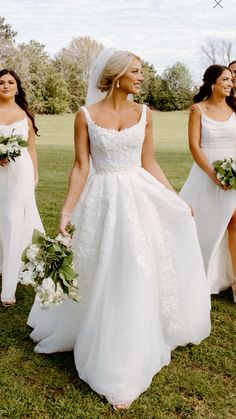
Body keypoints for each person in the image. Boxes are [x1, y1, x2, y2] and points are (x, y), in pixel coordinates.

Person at [28, 50, 211, 410]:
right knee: (100, 268)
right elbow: (81, 166)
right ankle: (99, 338)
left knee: (136, 267)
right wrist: (66, 211)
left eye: (141, 72)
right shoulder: (85, 116)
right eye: (136, 71)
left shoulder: (145, 114)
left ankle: (129, 350)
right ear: (115, 76)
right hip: (101, 200)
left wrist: (175, 198)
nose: (141, 77)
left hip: (138, 198)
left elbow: (150, 162)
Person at [180, 65, 236, 301]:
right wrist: (214, 176)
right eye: (225, 79)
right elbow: (194, 146)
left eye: (231, 80)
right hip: (206, 174)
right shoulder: (198, 110)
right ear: (212, 83)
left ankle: (235, 281)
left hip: (233, 173)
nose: (230, 83)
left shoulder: (235, 108)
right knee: (204, 223)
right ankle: (198, 273)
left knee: (233, 220)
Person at [0, 69, 44, 306]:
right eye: (1, 82)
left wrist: (35, 174)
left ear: (17, 87)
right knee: (2, 219)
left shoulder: (25, 116)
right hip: (0, 173)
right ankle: (5, 263)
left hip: (21, 174)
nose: (5, 86)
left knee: (11, 219)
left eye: (10, 82)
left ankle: (8, 289)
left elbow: (31, 149)